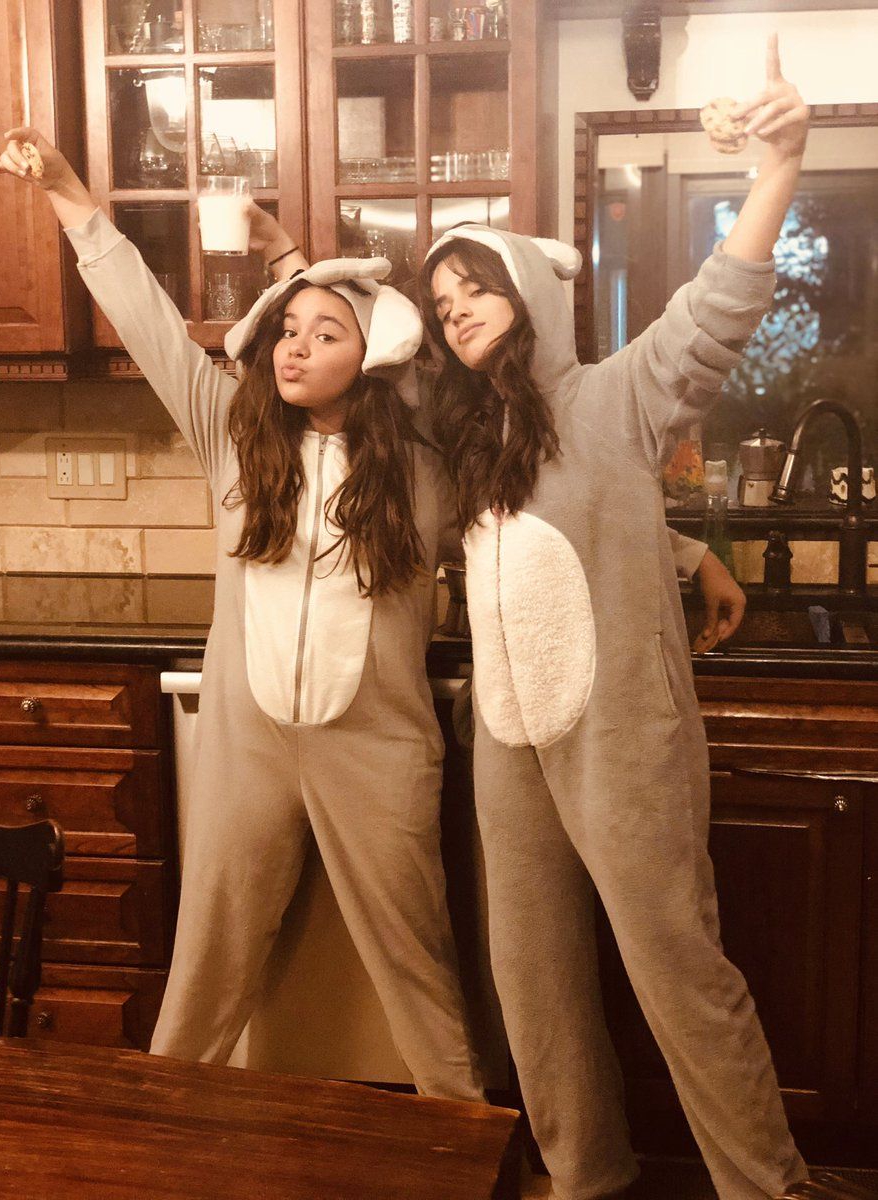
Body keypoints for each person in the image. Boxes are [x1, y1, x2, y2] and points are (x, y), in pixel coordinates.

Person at [0, 127, 487, 1100]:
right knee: (206, 964)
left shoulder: (423, 469)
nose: (297, 346)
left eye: (326, 335)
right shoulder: (233, 435)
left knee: (419, 967)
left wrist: (288, 253)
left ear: (377, 356)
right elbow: (147, 320)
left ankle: (469, 1140)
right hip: (246, 744)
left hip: (378, 749)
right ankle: (162, 1133)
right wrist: (68, 192)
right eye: (287, 329)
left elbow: (512, 476)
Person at [417, 34, 809, 1200]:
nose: (457, 313)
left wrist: (780, 169)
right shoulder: (473, 440)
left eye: (477, 287)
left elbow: (716, 310)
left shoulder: (614, 395)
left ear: (531, 293)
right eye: (442, 304)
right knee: (531, 979)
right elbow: (558, 524)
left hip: (621, 737)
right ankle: (585, 1176)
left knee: (677, 966)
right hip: (510, 740)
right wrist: (688, 550)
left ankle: (768, 1187)